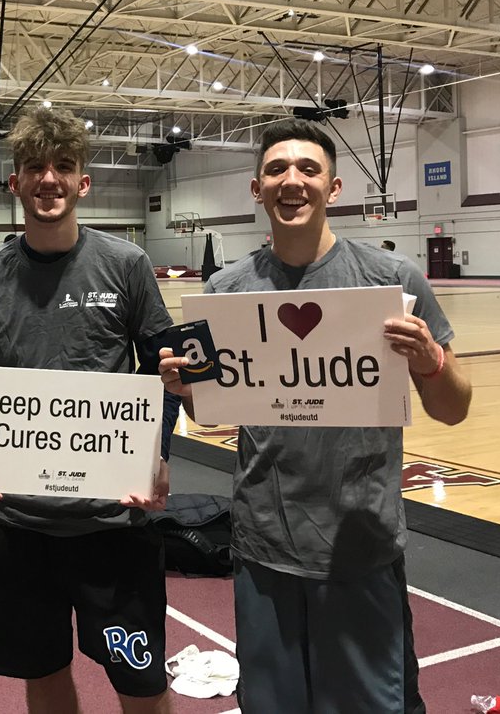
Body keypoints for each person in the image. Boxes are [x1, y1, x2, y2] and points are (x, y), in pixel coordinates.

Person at [160, 119, 472, 714]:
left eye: (308, 170)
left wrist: (431, 359)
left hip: (361, 544)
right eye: (277, 169)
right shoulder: (227, 290)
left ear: (334, 188)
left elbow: (454, 409)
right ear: (257, 189)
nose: (292, 181)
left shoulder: (392, 280)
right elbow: (211, 413)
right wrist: (185, 388)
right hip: (263, 545)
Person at [0, 107, 180, 714]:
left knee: (140, 682)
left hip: (112, 525)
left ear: (83, 183)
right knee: (43, 672)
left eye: (63, 167)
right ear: (15, 183)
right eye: (34, 168)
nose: (48, 179)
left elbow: (165, 371)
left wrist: (155, 456)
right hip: (18, 524)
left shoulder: (126, 266)